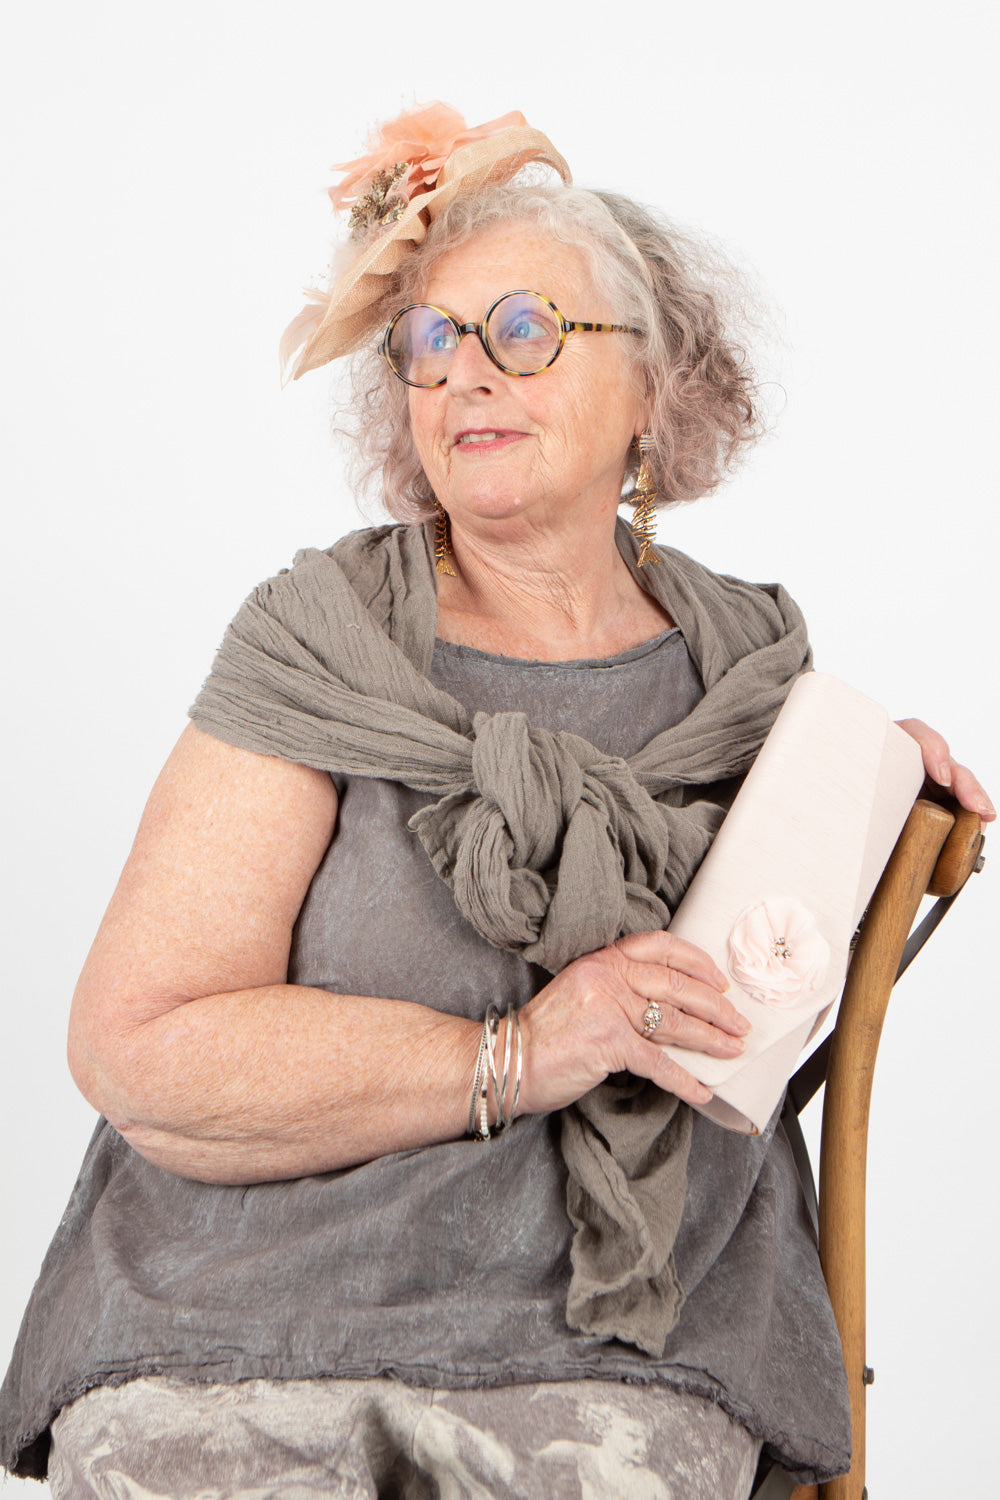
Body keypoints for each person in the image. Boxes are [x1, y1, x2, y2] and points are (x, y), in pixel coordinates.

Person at [1, 104, 992, 1500]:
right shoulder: (323, 640)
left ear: (653, 385)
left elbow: (759, 999)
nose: (466, 370)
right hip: (232, 1316)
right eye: (431, 340)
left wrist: (873, 794)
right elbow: (139, 1046)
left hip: (615, 1333)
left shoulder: (752, 672)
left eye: (524, 329)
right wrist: (521, 1052)